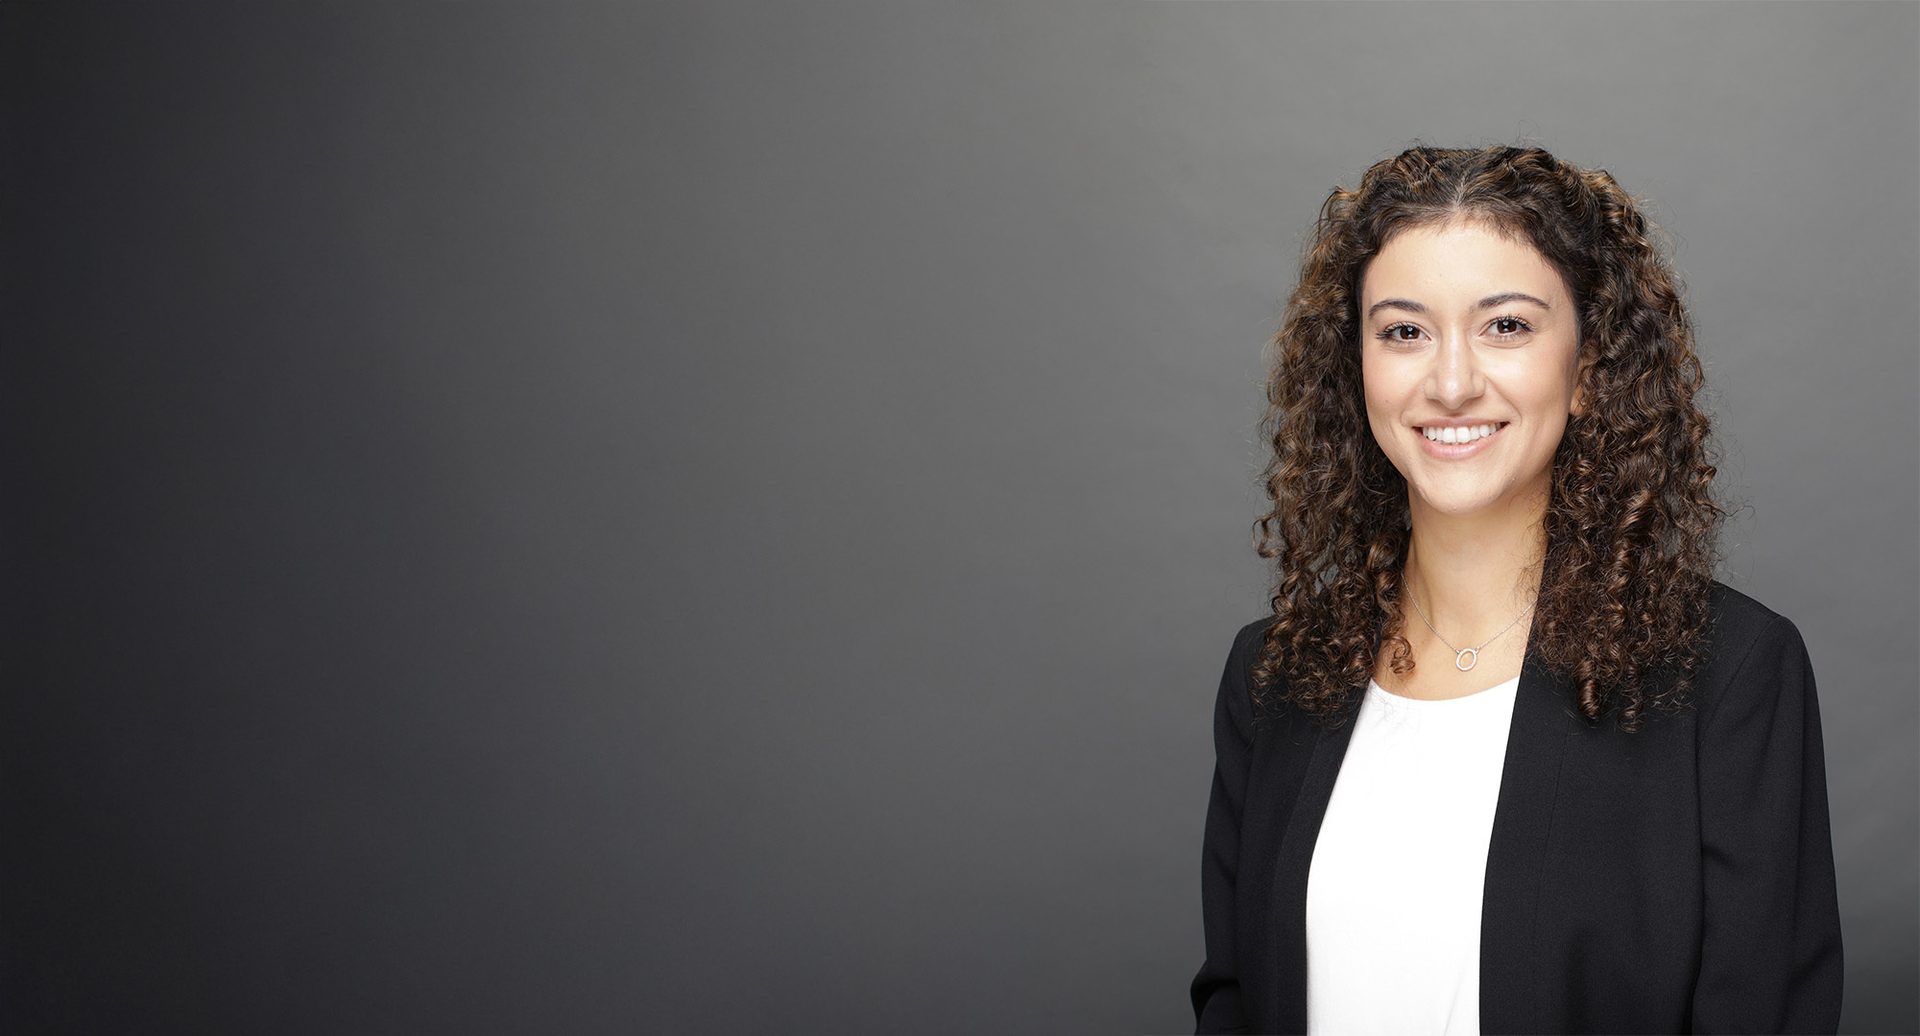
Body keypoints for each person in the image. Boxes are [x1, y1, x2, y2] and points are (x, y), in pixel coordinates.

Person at [1189, 145, 1843, 1035]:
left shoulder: (1728, 676)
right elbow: (1234, 1000)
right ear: (1357, 369)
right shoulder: (1274, 675)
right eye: (1404, 330)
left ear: (1588, 368)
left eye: (1506, 326)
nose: (1451, 383)